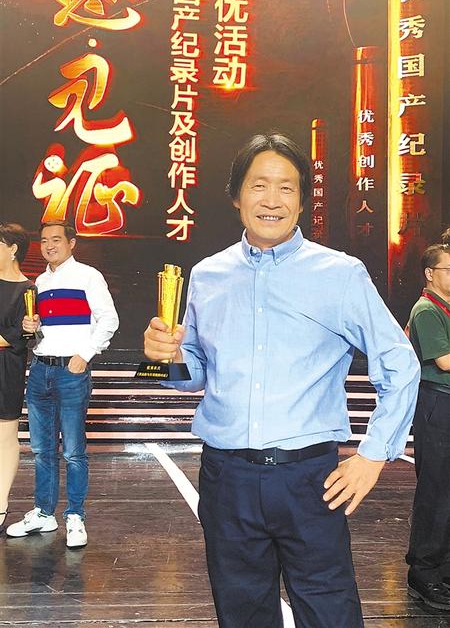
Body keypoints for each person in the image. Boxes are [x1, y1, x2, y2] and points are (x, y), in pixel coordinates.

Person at [144, 132, 420, 628]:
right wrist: (165, 359)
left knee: (329, 612)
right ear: (236, 195)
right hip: (226, 477)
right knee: (242, 613)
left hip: (309, 479)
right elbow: (196, 373)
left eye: (286, 187)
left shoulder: (340, 274)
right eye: (259, 185)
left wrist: (374, 456)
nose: (272, 200)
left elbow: (400, 363)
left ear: (302, 200)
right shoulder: (207, 275)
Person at [6, 221, 119, 548]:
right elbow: (43, 329)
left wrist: (85, 354)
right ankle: (44, 513)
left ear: (72, 242)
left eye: (56, 240)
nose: (49, 246)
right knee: (42, 450)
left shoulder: (88, 276)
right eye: (44, 241)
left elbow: (109, 319)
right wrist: (32, 326)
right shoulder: (39, 283)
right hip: (40, 369)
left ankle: (75, 516)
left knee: (72, 451)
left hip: (71, 371)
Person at [405, 242, 450, 610]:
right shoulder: (427, 309)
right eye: (448, 269)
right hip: (437, 404)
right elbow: (445, 361)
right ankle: (423, 573)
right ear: (430, 274)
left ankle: (443, 571)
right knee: (435, 490)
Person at [0, 223, 34, 534]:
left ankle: (0, 503)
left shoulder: (28, 290)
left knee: (5, 435)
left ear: (13, 249)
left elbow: (21, 336)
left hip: (6, 368)